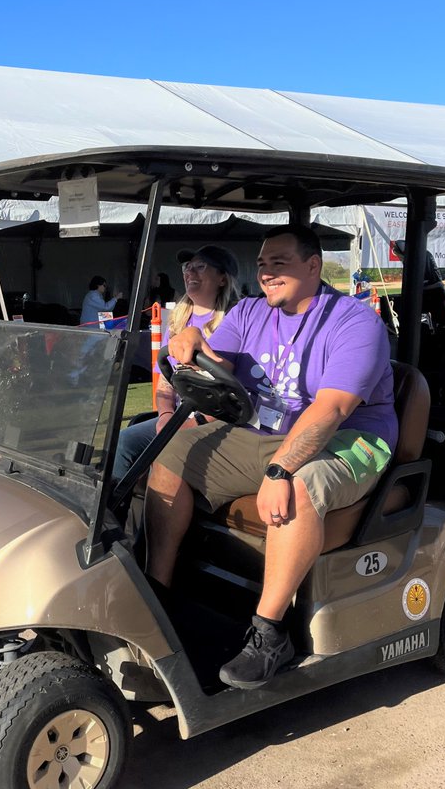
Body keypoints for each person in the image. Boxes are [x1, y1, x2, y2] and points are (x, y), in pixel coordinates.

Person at [144, 224, 397, 689]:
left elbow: (332, 408)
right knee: (172, 450)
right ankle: (158, 591)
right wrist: (198, 346)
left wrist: (280, 469)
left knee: (299, 487)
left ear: (313, 266)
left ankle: (269, 633)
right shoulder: (248, 312)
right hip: (266, 428)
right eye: (262, 264)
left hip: (351, 437)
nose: (266, 273)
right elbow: (221, 364)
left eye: (279, 263)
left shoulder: (355, 322)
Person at [113, 245, 240, 478]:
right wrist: (165, 416)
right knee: (125, 442)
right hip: (181, 416)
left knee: (169, 453)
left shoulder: (237, 322)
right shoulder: (179, 321)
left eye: (200, 267)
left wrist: (194, 422)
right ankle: (116, 511)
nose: (189, 273)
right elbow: (165, 380)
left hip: (219, 421)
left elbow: (235, 392)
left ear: (222, 278)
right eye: (187, 267)